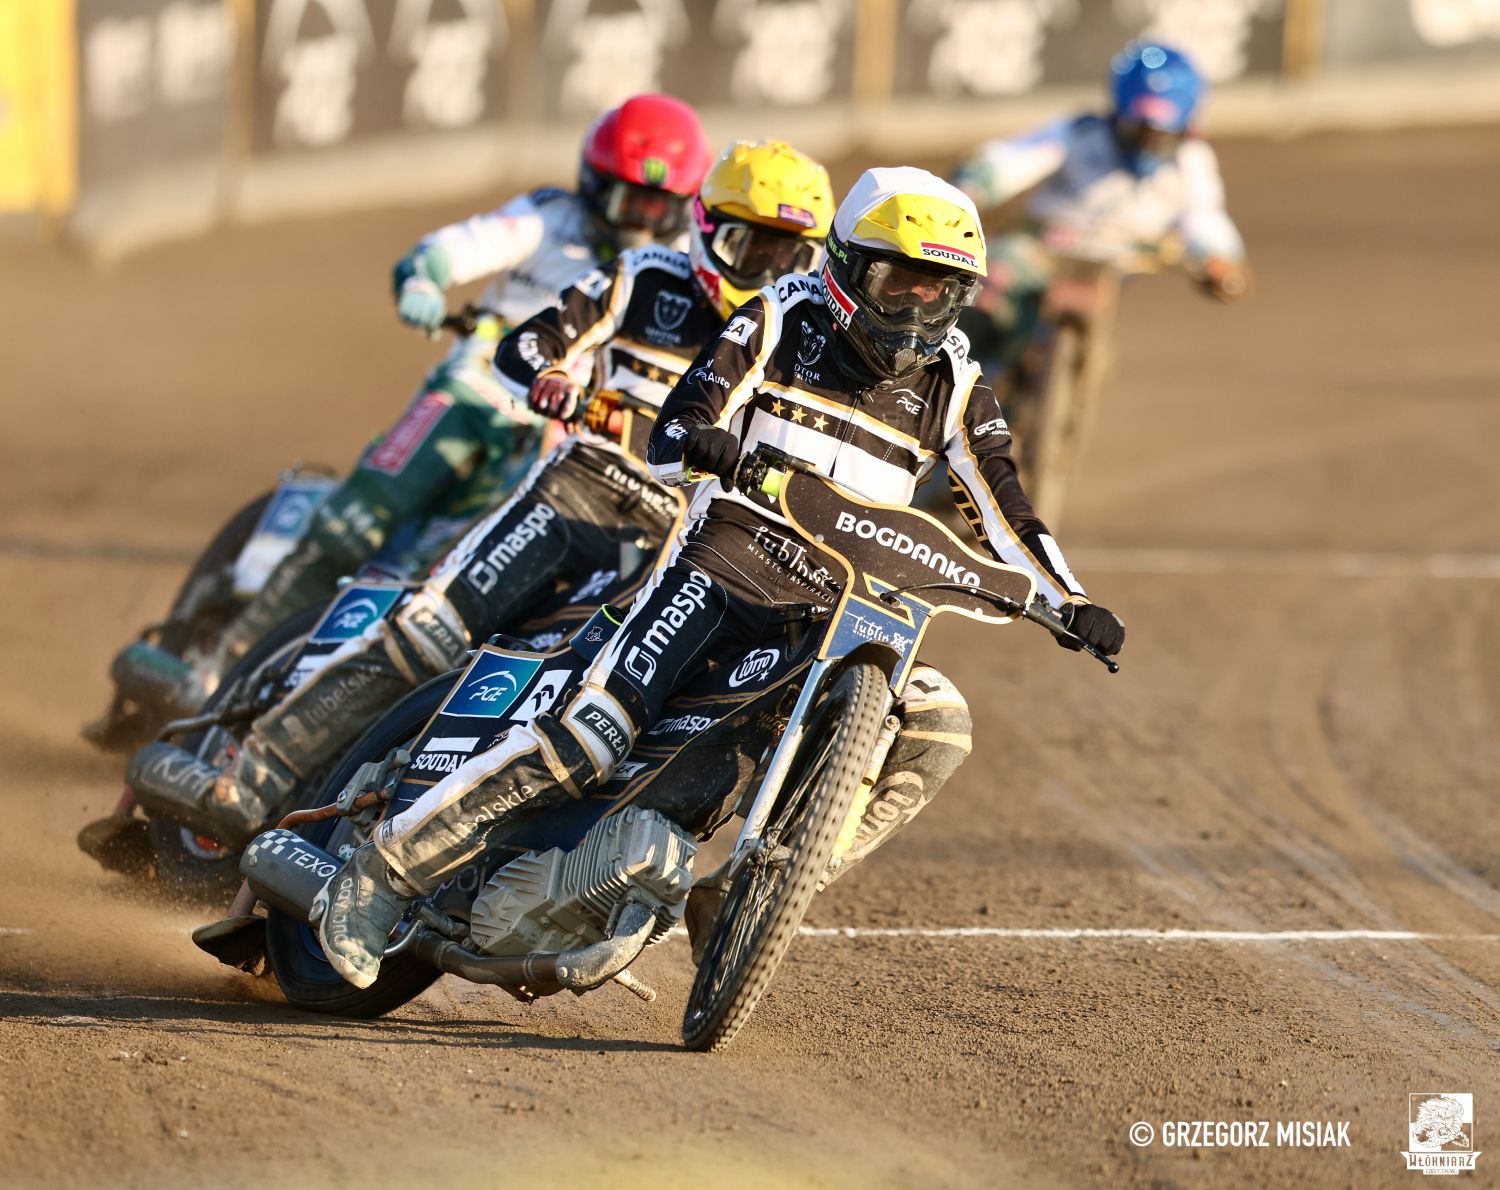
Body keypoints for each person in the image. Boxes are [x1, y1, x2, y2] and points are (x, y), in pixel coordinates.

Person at [312, 167, 1126, 991]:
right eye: (898, 286)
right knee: (589, 736)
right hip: (719, 568)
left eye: (939, 293)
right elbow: (677, 427)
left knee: (941, 723)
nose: (917, 314)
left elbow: (1006, 507)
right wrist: (706, 441)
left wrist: (1071, 600)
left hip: (840, 608)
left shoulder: (957, 380)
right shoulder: (779, 315)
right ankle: (382, 874)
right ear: (848, 269)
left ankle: (755, 887)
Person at [153, 140, 835, 847]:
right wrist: (553, 377)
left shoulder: (800, 337)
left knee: (590, 704)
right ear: (704, 229)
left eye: (789, 255)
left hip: (680, 545)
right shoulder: (643, 276)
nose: (766, 270)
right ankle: (253, 776)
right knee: (429, 632)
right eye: (749, 247)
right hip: (575, 492)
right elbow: (526, 346)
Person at [180, 94, 714, 703]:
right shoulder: (548, 218)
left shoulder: (678, 273)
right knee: (358, 519)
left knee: (458, 574)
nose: (638, 220)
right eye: (626, 200)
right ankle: (222, 661)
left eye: (656, 206)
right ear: (594, 185)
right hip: (477, 388)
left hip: (567, 437)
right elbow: (452, 248)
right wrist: (424, 278)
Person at [952, 41, 1249, 380]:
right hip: (1042, 250)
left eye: (1162, 134)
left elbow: (1203, 214)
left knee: (1096, 352)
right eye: (1140, 129)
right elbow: (1018, 159)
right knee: (986, 299)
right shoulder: (1081, 133)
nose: (1150, 142)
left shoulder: (1191, 161)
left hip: (1115, 265)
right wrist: (977, 183)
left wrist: (1218, 255)